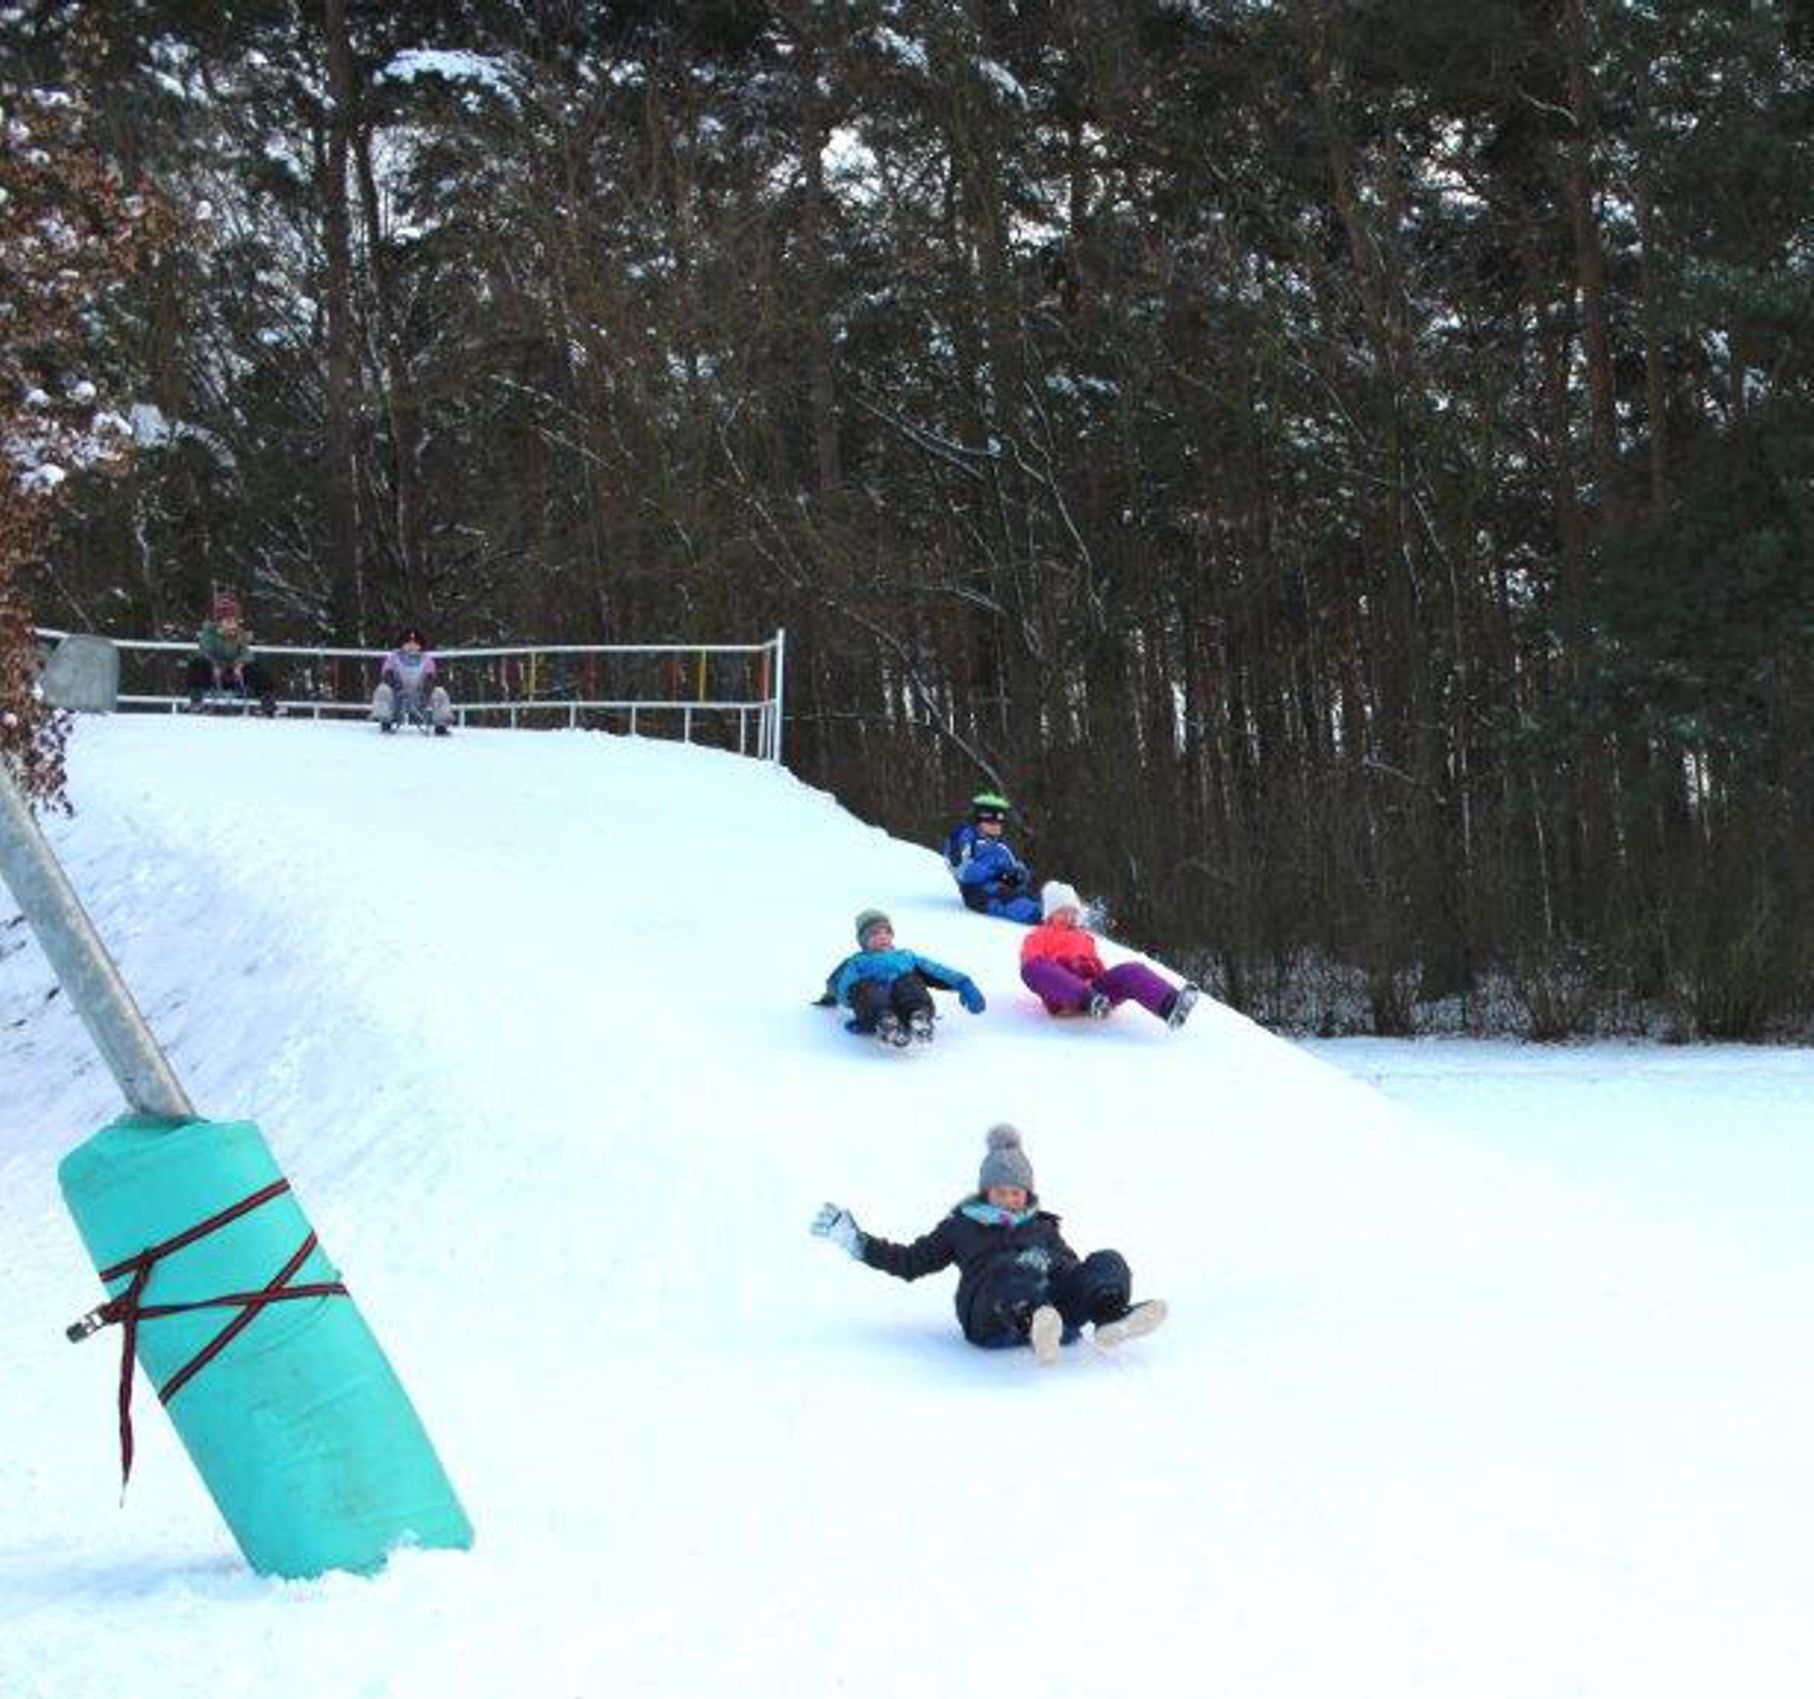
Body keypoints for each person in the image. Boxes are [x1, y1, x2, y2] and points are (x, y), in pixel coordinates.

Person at [809, 1124, 1167, 1364]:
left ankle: (1110, 1318)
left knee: (1105, 1260)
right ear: (986, 1190)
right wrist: (859, 1243)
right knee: (1011, 1273)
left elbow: (1068, 1266)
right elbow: (910, 1262)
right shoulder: (960, 1226)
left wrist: (1081, 1283)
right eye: (1001, 1191)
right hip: (990, 1318)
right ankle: (1035, 1322)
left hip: (1055, 1313)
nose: (1009, 1198)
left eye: (1016, 1192)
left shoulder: (1043, 1226)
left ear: (1027, 1192)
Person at [1021, 881, 1201, 1029]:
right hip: (1061, 994)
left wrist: (1104, 980)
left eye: (1072, 912)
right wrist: (1064, 967)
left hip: (1095, 994)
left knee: (1131, 971)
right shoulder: (1038, 935)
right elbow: (1033, 963)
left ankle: (1170, 1006)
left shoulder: (1085, 938)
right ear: (1050, 914)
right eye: (1062, 912)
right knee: (1032, 967)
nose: (1068, 917)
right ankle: (1087, 999)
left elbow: (1098, 968)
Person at [815, 908, 986, 1046]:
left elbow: (936, 970)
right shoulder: (857, 962)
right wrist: (843, 1000)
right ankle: (885, 1023)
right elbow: (841, 985)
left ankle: (919, 1016)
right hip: (873, 1006)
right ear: (863, 940)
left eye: (886, 932)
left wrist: (963, 983)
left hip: (906, 1001)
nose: (882, 936)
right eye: (874, 934)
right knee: (867, 986)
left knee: (908, 980)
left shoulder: (905, 956)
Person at [942, 791, 1040, 924]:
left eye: (999, 823)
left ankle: (1063, 913)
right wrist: (996, 874)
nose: (996, 826)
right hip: (978, 892)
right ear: (978, 821)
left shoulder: (1002, 845)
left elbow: (1015, 865)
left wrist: (1019, 874)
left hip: (1006, 887)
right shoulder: (966, 837)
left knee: (1036, 894)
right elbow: (960, 868)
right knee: (1006, 899)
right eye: (990, 822)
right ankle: (1038, 916)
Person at [185, 590, 276, 716]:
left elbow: (246, 653)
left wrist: (240, 664)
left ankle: (268, 704)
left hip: (235, 673)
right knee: (196, 664)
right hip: (214, 672)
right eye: (228, 620)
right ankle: (196, 702)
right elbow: (205, 651)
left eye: (234, 620)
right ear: (219, 621)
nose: (232, 624)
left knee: (259, 668)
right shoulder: (209, 633)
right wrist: (214, 665)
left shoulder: (241, 634)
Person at [372, 627, 454, 735]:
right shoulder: (393, 657)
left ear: (420, 646)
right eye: (408, 643)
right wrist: (396, 686)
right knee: (383, 689)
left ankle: (441, 725)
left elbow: (431, 678)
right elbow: (387, 674)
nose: (411, 647)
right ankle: (385, 722)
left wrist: (427, 690)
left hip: (420, 695)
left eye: (415, 644)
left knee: (439, 692)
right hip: (397, 694)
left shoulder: (427, 660)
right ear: (402, 644)